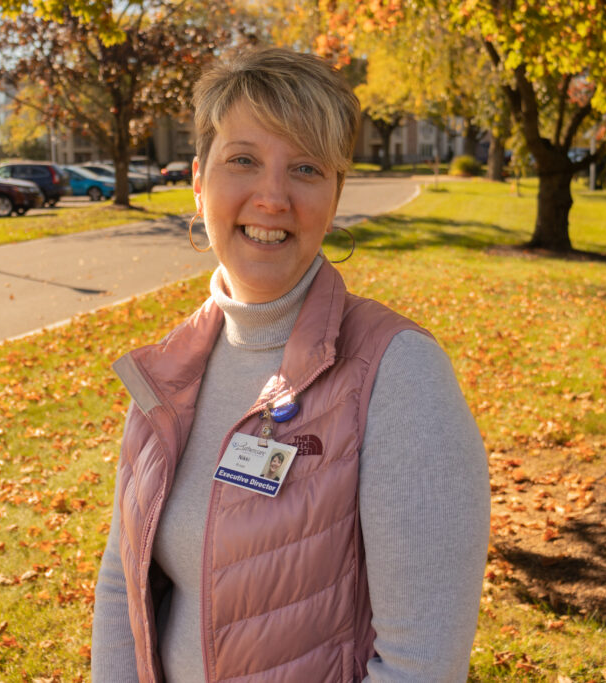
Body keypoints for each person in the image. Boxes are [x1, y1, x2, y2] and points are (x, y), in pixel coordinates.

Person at [92, 47, 490, 682]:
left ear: (334, 195)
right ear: (199, 181)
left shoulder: (397, 373)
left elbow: (422, 665)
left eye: (305, 168)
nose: (272, 197)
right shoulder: (170, 369)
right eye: (243, 159)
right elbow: (123, 582)